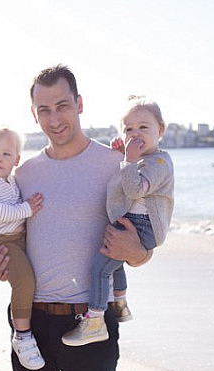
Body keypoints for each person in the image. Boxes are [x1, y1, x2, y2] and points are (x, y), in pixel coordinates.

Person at [0, 64, 152, 371]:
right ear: (34, 114)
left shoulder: (115, 165)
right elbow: (8, 236)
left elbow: (143, 242)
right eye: (44, 109)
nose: (54, 118)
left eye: (62, 106)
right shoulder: (23, 173)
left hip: (90, 322)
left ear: (79, 104)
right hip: (31, 323)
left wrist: (136, 251)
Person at [61, 95, 174, 347]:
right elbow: (122, 183)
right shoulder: (144, 158)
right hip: (133, 220)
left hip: (142, 227)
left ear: (161, 130)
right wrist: (123, 155)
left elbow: (134, 190)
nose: (135, 135)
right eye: (128, 129)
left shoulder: (159, 163)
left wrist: (129, 160)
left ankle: (95, 321)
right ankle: (120, 303)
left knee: (99, 268)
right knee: (113, 263)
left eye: (143, 128)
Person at [0, 128, 45, 370]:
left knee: (34, 273)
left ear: (16, 160)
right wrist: (27, 209)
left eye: (6, 154)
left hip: (17, 237)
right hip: (0, 241)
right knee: (24, 281)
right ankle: (22, 335)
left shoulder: (12, 181)